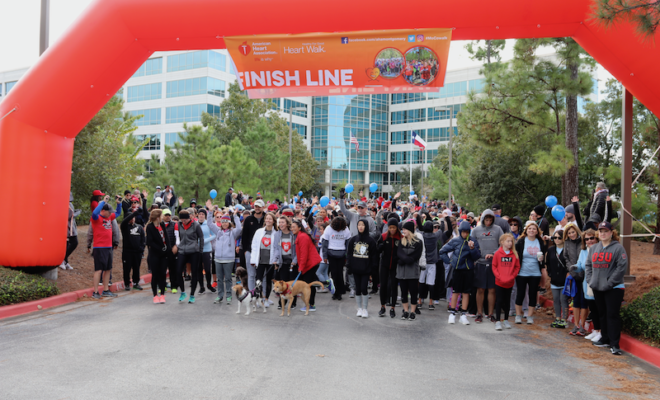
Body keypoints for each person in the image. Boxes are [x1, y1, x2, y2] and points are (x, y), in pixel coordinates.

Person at [585, 222, 627, 355]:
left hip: (614, 288)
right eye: (601, 231)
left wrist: (609, 282)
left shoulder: (618, 248)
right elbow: (588, 265)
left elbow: (621, 267)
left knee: (612, 315)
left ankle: (614, 344)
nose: (603, 234)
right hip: (597, 287)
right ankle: (605, 338)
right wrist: (590, 280)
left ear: (611, 232)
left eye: (606, 231)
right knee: (601, 313)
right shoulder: (594, 248)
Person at [440, 220, 481, 325]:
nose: (465, 234)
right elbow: (442, 251)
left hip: (468, 270)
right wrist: (450, 262)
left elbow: (477, 256)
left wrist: (472, 248)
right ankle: (452, 313)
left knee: (466, 292)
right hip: (457, 269)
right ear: (460, 231)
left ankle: (463, 314)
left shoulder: (473, 241)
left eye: (467, 232)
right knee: (456, 291)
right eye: (463, 232)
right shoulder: (455, 240)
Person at [472, 209, 504, 323]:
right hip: (480, 263)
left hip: (493, 264)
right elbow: (471, 245)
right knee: (480, 289)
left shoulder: (498, 229)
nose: (488, 222)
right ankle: (479, 313)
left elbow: (503, 244)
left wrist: (494, 254)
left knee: (492, 289)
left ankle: (490, 314)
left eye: (490, 220)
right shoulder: (476, 230)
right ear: (482, 219)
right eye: (486, 220)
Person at [514, 221, 547, 324]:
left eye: (534, 229)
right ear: (526, 230)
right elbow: (515, 255)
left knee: (533, 294)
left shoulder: (540, 242)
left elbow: (542, 259)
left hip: (535, 273)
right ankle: (518, 315)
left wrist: (541, 259)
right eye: (529, 229)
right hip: (522, 272)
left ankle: (530, 316)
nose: (531, 230)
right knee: (520, 293)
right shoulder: (521, 241)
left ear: (537, 231)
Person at [90, 195, 122, 299]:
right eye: (109, 211)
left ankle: (106, 290)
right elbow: (94, 212)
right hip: (99, 248)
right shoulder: (96, 218)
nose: (110, 214)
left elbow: (118, 213)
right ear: (103, 210)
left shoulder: (109, 217)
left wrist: (119, 203)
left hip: (109, 247)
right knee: (99, 269)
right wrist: (102, 202)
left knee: (108, 269)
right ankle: (95, 292)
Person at [208, 208, 242, 305]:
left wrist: (235, 216)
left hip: (229, 259)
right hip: (218, 259)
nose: (224, 224)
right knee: (219, 279)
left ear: (229, 223)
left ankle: (228, 295)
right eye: (223, 222)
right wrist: (210, 212)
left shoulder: (233, 232)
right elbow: (210, 224)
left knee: (228, 278)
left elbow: (239, 228)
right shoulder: (218, 231)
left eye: (226, 222)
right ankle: (220, 295)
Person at [346, 219, 379, 318]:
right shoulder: (353, 239)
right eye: (359, 225)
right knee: (358, 289)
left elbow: (374, 256)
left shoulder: (370, 241)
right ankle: (359, 308)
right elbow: (349, 254)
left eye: (363, 225)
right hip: (356, 268)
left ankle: (365, 309)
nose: (360, 227)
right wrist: (349, 266)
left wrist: (373, 270)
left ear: (366, 227)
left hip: (366, 269)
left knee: (364, 288)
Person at [292, 220, 324, 312]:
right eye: (291, 227)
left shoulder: (302, 237)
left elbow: (304, 254)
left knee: (308, 285)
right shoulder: (300, 236)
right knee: (311, 284)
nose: (292, 228)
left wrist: (301, 268)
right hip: (309, 264)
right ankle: (311, 304)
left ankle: (311, 305)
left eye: (294, 227)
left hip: (310, 264)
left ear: (299, 227)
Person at [561, 224, 588, 336]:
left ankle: (582, 325)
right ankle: (576, 325)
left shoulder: (583, 242)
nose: (572, 234)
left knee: (584, 301)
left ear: (577, 231)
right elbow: (566, 257)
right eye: (569, 233)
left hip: (585, 275)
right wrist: (571, 269)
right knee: (576, 301)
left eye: (573, 232)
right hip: (574, 274)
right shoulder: (567, 243)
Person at [396, 220, 426, 321]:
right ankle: (405, 311)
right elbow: (399, 253)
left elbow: (415, 256)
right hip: (402, 273)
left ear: (409, 230)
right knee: (403, 292)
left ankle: (413, 312)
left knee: (413, 292)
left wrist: (404, 260)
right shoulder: (401, 241)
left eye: (404, 229)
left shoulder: (418, 242)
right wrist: (406, 259)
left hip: (413, 272)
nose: (403, 231)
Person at [492, 233, 520, 330]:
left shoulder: (514, 254)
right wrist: (498, 276)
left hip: (510, 282)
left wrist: (512, 276)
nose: (510, 243)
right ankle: (498, 321)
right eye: (508, 241)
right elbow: (494, 266)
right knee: (499, 301)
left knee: (507, 301)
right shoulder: (497, 253)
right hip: (499, 282)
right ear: (502, 242)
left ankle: (506, 320)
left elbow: (517, 267)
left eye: (511, 241)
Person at [175, 210, 204, 303]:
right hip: (182, 250)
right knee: (178, 271)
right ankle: (183, 292)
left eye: (185, 220)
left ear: (189, 218)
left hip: (193, 251)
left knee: (194, 273)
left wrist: (200, 249)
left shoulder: (195, 225)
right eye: (182, 220)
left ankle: (192, 294)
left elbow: (201, 237)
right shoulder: (179, 225)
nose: (183, 222)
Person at [250, 212, 278, 306]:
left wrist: (276, 261)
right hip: (260, 260)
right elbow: (254, 245)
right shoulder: (259, 231)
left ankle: (266, 299)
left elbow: (278, 248)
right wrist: (253, 259)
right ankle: (259, 299)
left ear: (274, 221)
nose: (268, 220)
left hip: (271, 261)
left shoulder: (277, 233)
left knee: (269, 281)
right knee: (258, 281)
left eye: (270, 219)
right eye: (267, 218)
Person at [321, 217, 352, 300]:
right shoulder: (328, 229)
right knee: (334, 274)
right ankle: (335, 292)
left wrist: (347, 254)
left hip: (341, 254)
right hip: (331, 253)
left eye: (340, 229)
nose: (338, 230)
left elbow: (348, 242)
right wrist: (325, 256)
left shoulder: (345, 229)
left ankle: (340, 292)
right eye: (337, 229)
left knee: (340, 273)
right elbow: (324, 243)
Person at [145, 209, 172, 304]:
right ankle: (155, 295)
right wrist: (161, 248)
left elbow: (166, 238)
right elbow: (149, 242)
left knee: (163, 274)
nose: (162, 218)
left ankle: (162, 295)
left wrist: (168, 249)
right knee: (155, 275)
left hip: (164, 255)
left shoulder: (162, 225)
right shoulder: (150, 227)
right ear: (157, 217)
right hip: (155, 254)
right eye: (161, 216)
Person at [272, 215, 298, 309]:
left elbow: (297, 249)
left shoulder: (293, 234)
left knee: (291, 284)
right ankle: (281, 302)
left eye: (283, 222)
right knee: (282, 283)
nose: (280, 224)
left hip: (292, 262)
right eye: (279, 222)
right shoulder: (277, 234)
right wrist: (275, 260)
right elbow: (276, 248)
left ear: (287, 223)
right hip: (282, 262)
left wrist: (295, 261)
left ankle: (293, 302)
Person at [377, 218, 401, 318]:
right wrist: (381, 246)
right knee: (383, 286)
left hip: (395, 265)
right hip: (384, 265)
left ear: (397, 228)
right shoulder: (383, 236)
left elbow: (403, 250)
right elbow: (377, 249)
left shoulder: (400, 237)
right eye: (390, 227)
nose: (392, 229)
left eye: (394, 228)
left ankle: (392, 307)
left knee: (394, 287)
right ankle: (382, 306)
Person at [581, 229, 602, 343]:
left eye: (591, 238)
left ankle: (600, 331)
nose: (589, 241)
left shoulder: (600, 249)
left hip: (599, 283)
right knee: (593, 309)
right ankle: (595, 330)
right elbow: (580, 265)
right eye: (587, 239)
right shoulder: (583, 251)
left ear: (596, 238)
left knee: (600, 309)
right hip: (587, 283)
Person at [418, 220, 444, 311]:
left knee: (421, 281)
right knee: (431, 283)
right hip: (432, 262)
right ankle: (430, 303)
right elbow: (442, 230)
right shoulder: (435, 236)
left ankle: (420, 301)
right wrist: (442, 221)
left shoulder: (421, 235)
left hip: (423, 262)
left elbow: (418, 227)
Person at [120, 206, 146, 291]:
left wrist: (141, 248)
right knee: (127, 268)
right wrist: (135, 212)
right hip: (127, 252)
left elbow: (143, 239)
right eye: (130, 218)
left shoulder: (139, 227)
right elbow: (124, 222)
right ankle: (127, 284)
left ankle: (136, 283)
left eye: (133, 217)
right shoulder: (124, 227)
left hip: (137, 252)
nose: (132, 219)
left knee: (136, 268)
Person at [546, 230, 568, 329]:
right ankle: (558, 317)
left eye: (559, 237)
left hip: (564, 279)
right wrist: (550, 273)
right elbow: (548, 263)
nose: (557, 240)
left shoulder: (567, 249)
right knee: (556, 299)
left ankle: (564, 319)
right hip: (554, 279)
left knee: (563, 299)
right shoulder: (551, 250)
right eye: (555, 238)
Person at [242, 199, 265, 291]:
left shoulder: (267, 218)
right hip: (250, 251)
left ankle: (263, 296)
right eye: (256, 206)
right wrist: (245, 251)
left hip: (264, 251)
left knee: (263, 275)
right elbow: (244, 236)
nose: (257, 208)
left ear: (263, 207)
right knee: (251, 274)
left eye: (259, 206)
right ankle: (252, 294)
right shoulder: (248, 219)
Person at [197, 209, 217, 295]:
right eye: (200, 214)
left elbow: (214, 234)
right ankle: (201, 287)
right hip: (197, 249)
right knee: (199, 269)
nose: (201, 215)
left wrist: (206, 240)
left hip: (207, 249)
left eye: (203, 214)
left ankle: (209, 284)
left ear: (205, 216)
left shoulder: (208, 224)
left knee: (208, 269)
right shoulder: (195, 224)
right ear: (197, 215)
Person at [161, 209, 180, 293]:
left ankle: (174, 286)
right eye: (166, 215)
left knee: (173, 269)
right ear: (162, 216)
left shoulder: (175, 224)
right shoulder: (159, 225)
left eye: (169, 215)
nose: (168, 216)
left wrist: (176, 246)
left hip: (172, 249)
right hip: (162, 250)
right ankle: (162, 286)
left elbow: (178, 237)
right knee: (162, 269)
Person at [62, 192, 80, 270]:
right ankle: (62, 260)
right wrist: (76, 213)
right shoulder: (63, 203)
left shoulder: (69, 203)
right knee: (73, 242)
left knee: (68, 244)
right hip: (67, 227)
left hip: (71, 227)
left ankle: (65, 261)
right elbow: (68, 215)